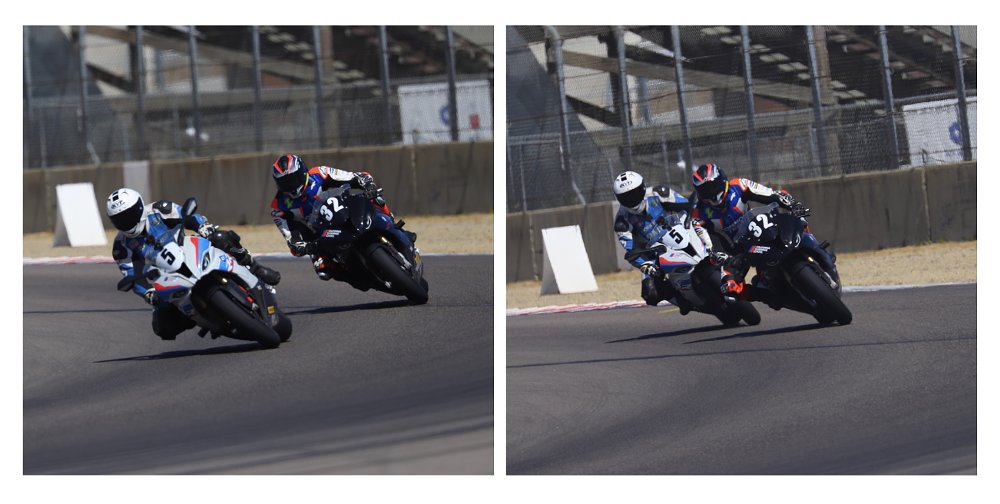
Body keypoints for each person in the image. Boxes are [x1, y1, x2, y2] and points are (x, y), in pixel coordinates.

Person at [107, 187, 281, 340]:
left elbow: (188, 216)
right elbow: (131, 276)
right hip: (167, 277)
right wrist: (148, 293)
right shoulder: (121, 247)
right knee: (163, 325)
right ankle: (204, 317)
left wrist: (203, 227)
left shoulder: (159, 210)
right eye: (120, 220)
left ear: (139, 207)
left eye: (128, 215)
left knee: (222, 238)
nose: (126, 222)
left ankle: (255, 268)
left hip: (189, 250)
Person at [269, 153, 415, 285]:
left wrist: (366, 184)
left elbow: (355, 176)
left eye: (293, 178)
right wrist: (301, 246)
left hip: (345, 209)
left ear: (302, 171)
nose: (291, 185)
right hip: (320, 233)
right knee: (323, 270)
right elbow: (291, 239)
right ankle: (362, 280)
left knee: (377, 198)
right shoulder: (278, 207)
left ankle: (395, 227)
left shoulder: (319, 173)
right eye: (285, 182)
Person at [690, 162, 825, 304]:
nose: (711, 193)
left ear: (722, 180)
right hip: (737, 251)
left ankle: (818, 250)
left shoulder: (739, 185)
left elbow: (768, 193)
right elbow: (705, 240)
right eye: (705, 190)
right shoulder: (699, 213)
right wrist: (715, 254)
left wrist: (788, 203)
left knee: (798, 219)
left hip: (759, 230)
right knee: (729, 290)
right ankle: (771, 297)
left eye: (713, 186)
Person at [613, 170, 724, 314]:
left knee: (711, 230)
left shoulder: (660, 193)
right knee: (650, 294)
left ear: (642, 188)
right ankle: (681, 300)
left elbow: (686, 206)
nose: (632, 200)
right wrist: (645, 265)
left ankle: (727, 263)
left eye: (634, 194)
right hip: (654, 253)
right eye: (626, 198)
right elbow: (631, 250)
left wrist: (689, 218)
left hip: (679, 230)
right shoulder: (621, 222)